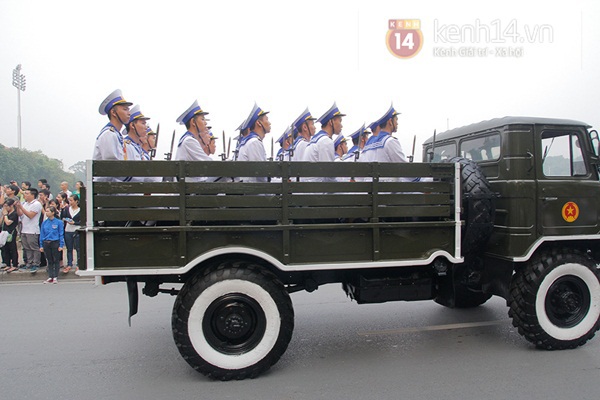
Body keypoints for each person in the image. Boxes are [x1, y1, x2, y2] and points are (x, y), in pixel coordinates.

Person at [303, 102, 345, 182]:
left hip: (310, 188)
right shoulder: (326, 141)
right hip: (317, 190)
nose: (341, 125)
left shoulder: (316, 139)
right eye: (340, 121)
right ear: (331, 122)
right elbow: (328, 176)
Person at [93, 89, 133, 161]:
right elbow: (112, 167)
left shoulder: (116, 135)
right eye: (125, 109)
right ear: (113, 113)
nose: (129, 113)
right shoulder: (109, 134)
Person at [237, 103, 271, 182]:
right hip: (254, 191)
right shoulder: (254, 142)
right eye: (266, 119)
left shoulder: (250, 141)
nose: (269, 123)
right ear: (259, 123)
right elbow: (260, 174)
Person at [15, 188, 43, 274]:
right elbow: (20, 214)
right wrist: (18, 207)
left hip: (32, 230)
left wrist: (21, 207)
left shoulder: (36, 204)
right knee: (26, 248)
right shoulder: (25, 203)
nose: (25, 195)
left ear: (32, 195)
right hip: (24, 229)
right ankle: (29, 262)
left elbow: (30, 215)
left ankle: (36, 263)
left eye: (27, 194)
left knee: (34, 247)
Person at [39, 205, 64, 284]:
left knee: (56, 259)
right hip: (46, 242)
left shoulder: (58, 222)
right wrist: (41, 245)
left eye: (48, 211)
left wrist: (61, 245)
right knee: (49, 260)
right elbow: (42, 234)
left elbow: (61, 234)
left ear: (53, 213)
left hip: (55, 242)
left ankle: (55, 276)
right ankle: (50, 276)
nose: (46, 213)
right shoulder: (44, 223)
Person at [61, 194, 81, 273]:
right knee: (69, 248)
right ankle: (69, 264)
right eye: (69, 200)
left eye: (72, 200)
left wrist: (75, 223)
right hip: (68, 230)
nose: (70, 202)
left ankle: (78, 264)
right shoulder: (66, 209)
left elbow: (83, 221)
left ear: (76, 201)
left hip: (77, 230)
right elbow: (62, 217)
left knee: (78, 248)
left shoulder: (81, 210)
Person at [1, 198, 19, 273]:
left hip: (11, 232)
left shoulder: (14, 214)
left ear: (11, 206)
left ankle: (14, 265)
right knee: (5, 249)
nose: (5, 208)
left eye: (7, 206)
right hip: (4, 232)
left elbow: (8, 222)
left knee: (12, 248)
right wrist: (3, 214)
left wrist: (5, 215)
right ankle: (8, 264)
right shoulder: (6, 214)